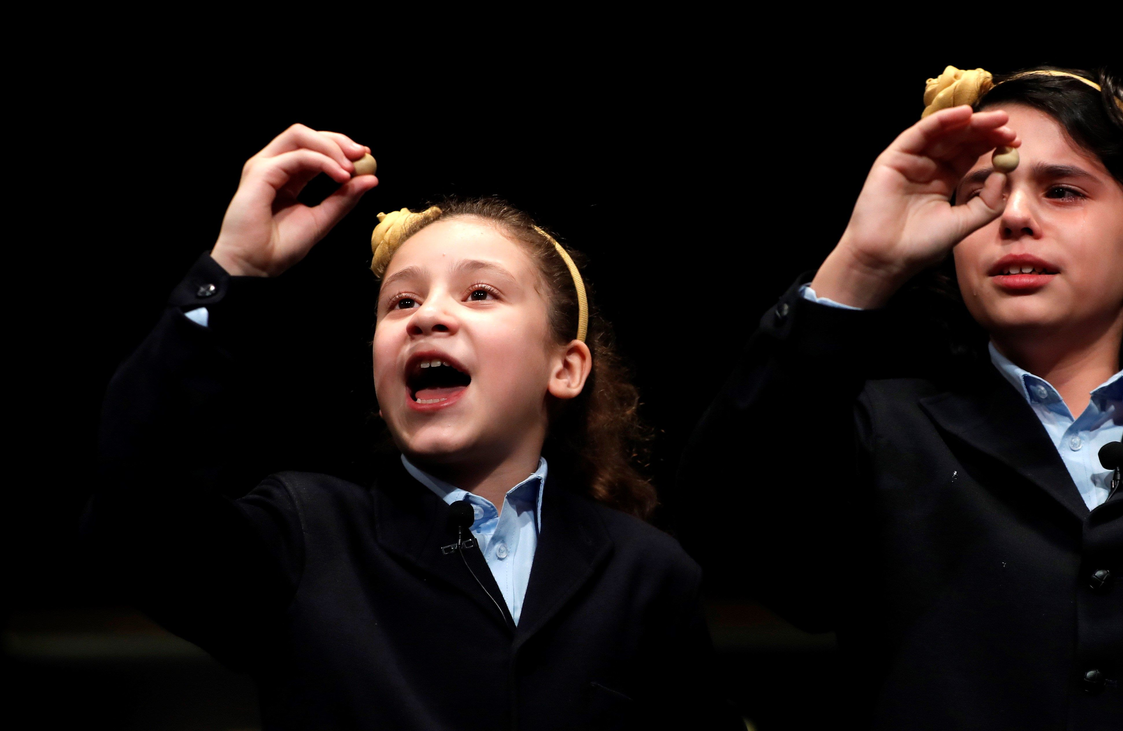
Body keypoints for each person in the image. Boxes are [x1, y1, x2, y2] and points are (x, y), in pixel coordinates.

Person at [677, 66, 1123, 729]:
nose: (1016, 217)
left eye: (1062, 190)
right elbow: (722, 531)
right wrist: (863, 262)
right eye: (983, 193)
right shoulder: (877, 431)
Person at [83, 124, 742, 730]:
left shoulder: (649, 574)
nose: (427, 316)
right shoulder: (304, 540)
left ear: (565, 368)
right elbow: (134, 506)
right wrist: (232, 269)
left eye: (479, 292)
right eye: (401, 301)